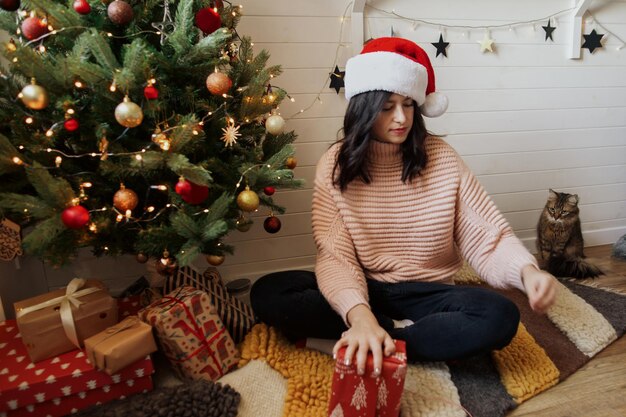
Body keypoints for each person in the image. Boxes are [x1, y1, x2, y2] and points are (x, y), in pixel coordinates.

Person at [251, 37, 557, 378]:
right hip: (365, 287)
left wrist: (528, 272)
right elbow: (335, 255)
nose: (401, 117)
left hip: (428, 293)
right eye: (386, 106)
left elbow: (486, 234)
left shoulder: (441, 157)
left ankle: (379, 341)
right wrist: (359, 314)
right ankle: (384, 334)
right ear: (365, 107)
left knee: (500, 316)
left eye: (409, 104)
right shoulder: (335, 164)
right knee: (269, 291)